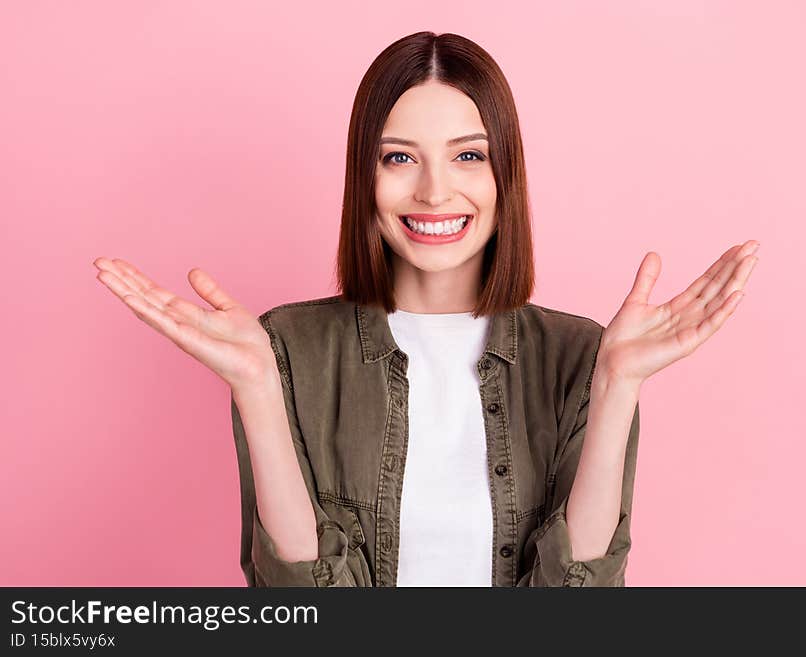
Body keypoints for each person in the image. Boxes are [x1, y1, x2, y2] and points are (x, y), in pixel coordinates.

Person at [93, 31, 759, 587]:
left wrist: (616, 387)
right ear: (366, 176)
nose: (435, 191)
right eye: (399, 158)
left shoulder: (582, 353)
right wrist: (258, 390)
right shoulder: (289, 346)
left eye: (469, 155)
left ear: (506, 177)